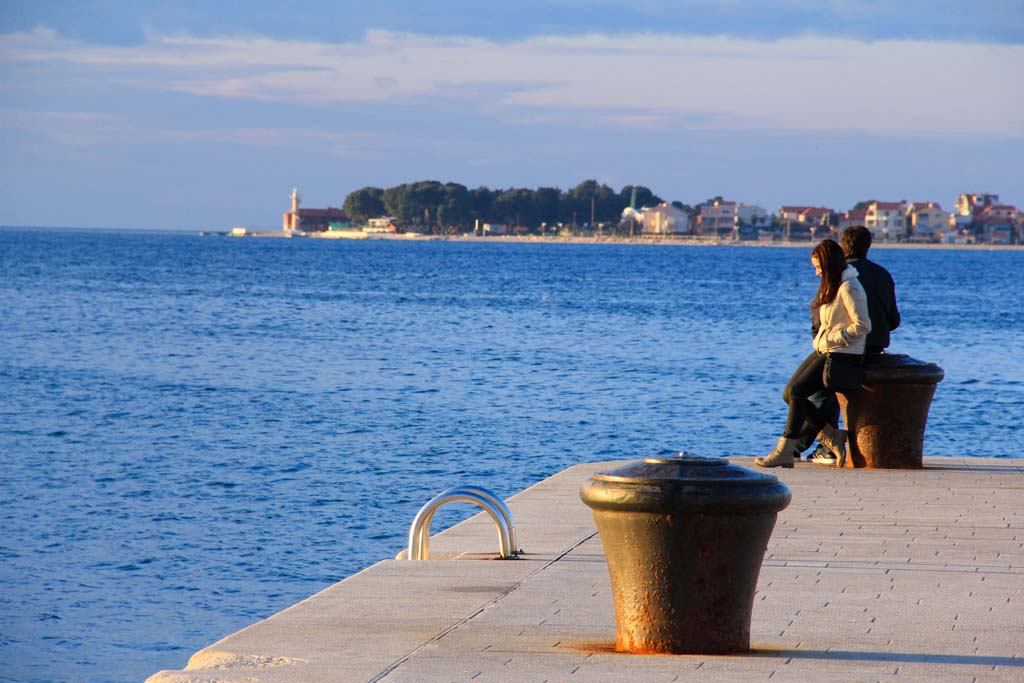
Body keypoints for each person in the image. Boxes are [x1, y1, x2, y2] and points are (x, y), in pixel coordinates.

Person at [755, 239, 871, 469]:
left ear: (829, 264)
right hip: (825, 348)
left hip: (842, 352)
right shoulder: (833, 286)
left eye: (819, 267)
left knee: (797, 391)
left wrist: (833, 338)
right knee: (789, 393)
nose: (817, 272)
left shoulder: (850, 287)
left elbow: (863, 325)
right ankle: (831, 435)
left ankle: (784, 451)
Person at [795, 225, 900, 465]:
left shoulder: (838, 275)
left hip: (845, 347)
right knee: (824, 385)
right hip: (875, 349)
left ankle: (809, 445)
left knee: (815, 390)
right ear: (868, 246)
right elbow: (894, 320)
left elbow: (818, 317)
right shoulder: (883, 275)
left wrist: (823, 339)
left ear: (843, 246)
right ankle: (822, 445)